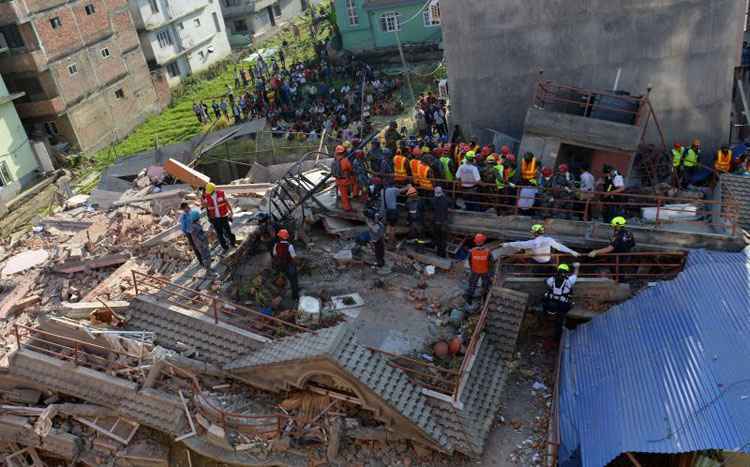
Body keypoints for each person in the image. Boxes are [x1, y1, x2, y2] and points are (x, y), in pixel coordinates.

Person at [502, 224, 580, 273]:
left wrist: (506, 244)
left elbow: (519, 243)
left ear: (534, 233)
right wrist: (572, 252)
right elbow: (560, 247)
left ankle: (525, 268)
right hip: (547, 259)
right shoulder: (549, 240)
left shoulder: (531, 242)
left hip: (536, 260)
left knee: (525, 250)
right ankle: (556, 269)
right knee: (554, 253)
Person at [542, 263, 580, 341]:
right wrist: (577, 267)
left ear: (558, 271)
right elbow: (575, 275)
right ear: (567, 272)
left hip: (551, 303)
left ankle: (546, 319)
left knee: (545, 301)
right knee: (560, 319)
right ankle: (557, 337)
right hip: (562, 305)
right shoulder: (569, 281)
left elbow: (545, 281)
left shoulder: (552, 279)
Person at [201, 182, 237, 254]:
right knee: (219, 234)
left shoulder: (221, 193)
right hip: (214, 218)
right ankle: (225, 247)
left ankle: (233, 243)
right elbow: (204, 206)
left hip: (223, 216)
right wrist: (202, 200)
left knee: (228, 231)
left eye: (209, 192)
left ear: (213, 190)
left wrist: (231, 211)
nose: (209, 193)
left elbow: (226, 202)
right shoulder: (206, 197)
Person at [464, 233, 493, 307]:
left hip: (475, 271)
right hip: (485, 271)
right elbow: (491, 263)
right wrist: (490, 272)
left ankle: (469, 299)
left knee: (472, 285)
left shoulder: (471, 251)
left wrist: (472, 268)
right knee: (486, 285)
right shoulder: (488, 252)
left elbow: (470, 261)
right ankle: (485, 299)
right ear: (483, 242)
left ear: (475, 242)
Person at [272, 229, 299, 302]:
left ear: (280, 237)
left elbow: (275, 255)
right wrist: (297, 264)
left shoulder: (276, 245)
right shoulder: (290, 246)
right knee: (294, 281)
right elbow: (294, 258)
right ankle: (295, 297)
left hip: (280, 266)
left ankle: (279, 297)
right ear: (286, 237)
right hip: (289, 266)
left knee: (281, 281)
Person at [331, 145, 353, 211]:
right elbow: (350, 169)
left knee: (343, 195)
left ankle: (347, 207)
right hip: (346, 181)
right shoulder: (345, 160)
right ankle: (348, 207)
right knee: (354, 184)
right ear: (343, 152)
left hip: (338, 181)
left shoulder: (334, 161)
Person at [432, 186, 451, 257]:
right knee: (443, 239)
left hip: (436, 222)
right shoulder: (446, 199)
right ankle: (443, 254)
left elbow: (431, 206)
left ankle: (438, 253)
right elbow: (451, 203)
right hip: (444, 222)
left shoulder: (433, 200)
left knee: (438, 238)